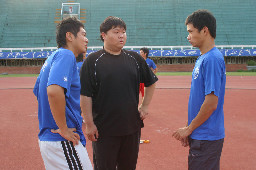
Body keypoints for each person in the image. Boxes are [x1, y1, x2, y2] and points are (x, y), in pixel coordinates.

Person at [80, 16, 158, 170]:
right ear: (104, 35)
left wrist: (145, 106)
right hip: (104, 131)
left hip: (131, 128)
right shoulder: (93, 61)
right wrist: (89, 124)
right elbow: (85, 95)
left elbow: (151, 82)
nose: (121, 35)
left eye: (123, 32)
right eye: (116, 32)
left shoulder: (134, 58)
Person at [33, 17, 92, 170]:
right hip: (62, 140)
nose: (87, 39)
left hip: (50, 139)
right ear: (70, 36)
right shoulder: (67, 55)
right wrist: (63, 127)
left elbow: (37, 91)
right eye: (83, 34)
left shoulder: (51, 58)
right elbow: (53, 91)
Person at [172, 10, 226, 170]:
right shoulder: (203, 58)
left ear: (204, 30)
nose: (188, 36)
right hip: (201, 134)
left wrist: (189, 128)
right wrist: (192, 130)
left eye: (190, 31)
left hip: (207, 136)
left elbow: (211, 102)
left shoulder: (212, 59)